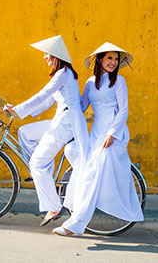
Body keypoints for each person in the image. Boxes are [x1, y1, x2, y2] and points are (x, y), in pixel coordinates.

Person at [53, 42, 144, 236]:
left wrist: (112, 133)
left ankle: (76, 224)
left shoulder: (118, 81)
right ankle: (90, 193)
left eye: (116, 59)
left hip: (112, 134)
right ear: (99, 59)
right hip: (95, 133)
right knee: (72, 151)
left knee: (90, 173)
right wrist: (64, 97)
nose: (113, 62)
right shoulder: (90, 83)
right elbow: (81, 106)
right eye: (109, 58)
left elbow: (124, 110)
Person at [3, 35, 89, 226]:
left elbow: (43, 94)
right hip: (60, 120)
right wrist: (19, 112)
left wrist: (17, 110)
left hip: (65, 123)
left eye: (47, 53)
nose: (44, 57)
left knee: (37, 163)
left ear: (56, 55)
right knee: (25, 132)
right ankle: (44, 172)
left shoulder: (63, 73)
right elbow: (49, 100)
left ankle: (54, 206)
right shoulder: (64, 74)